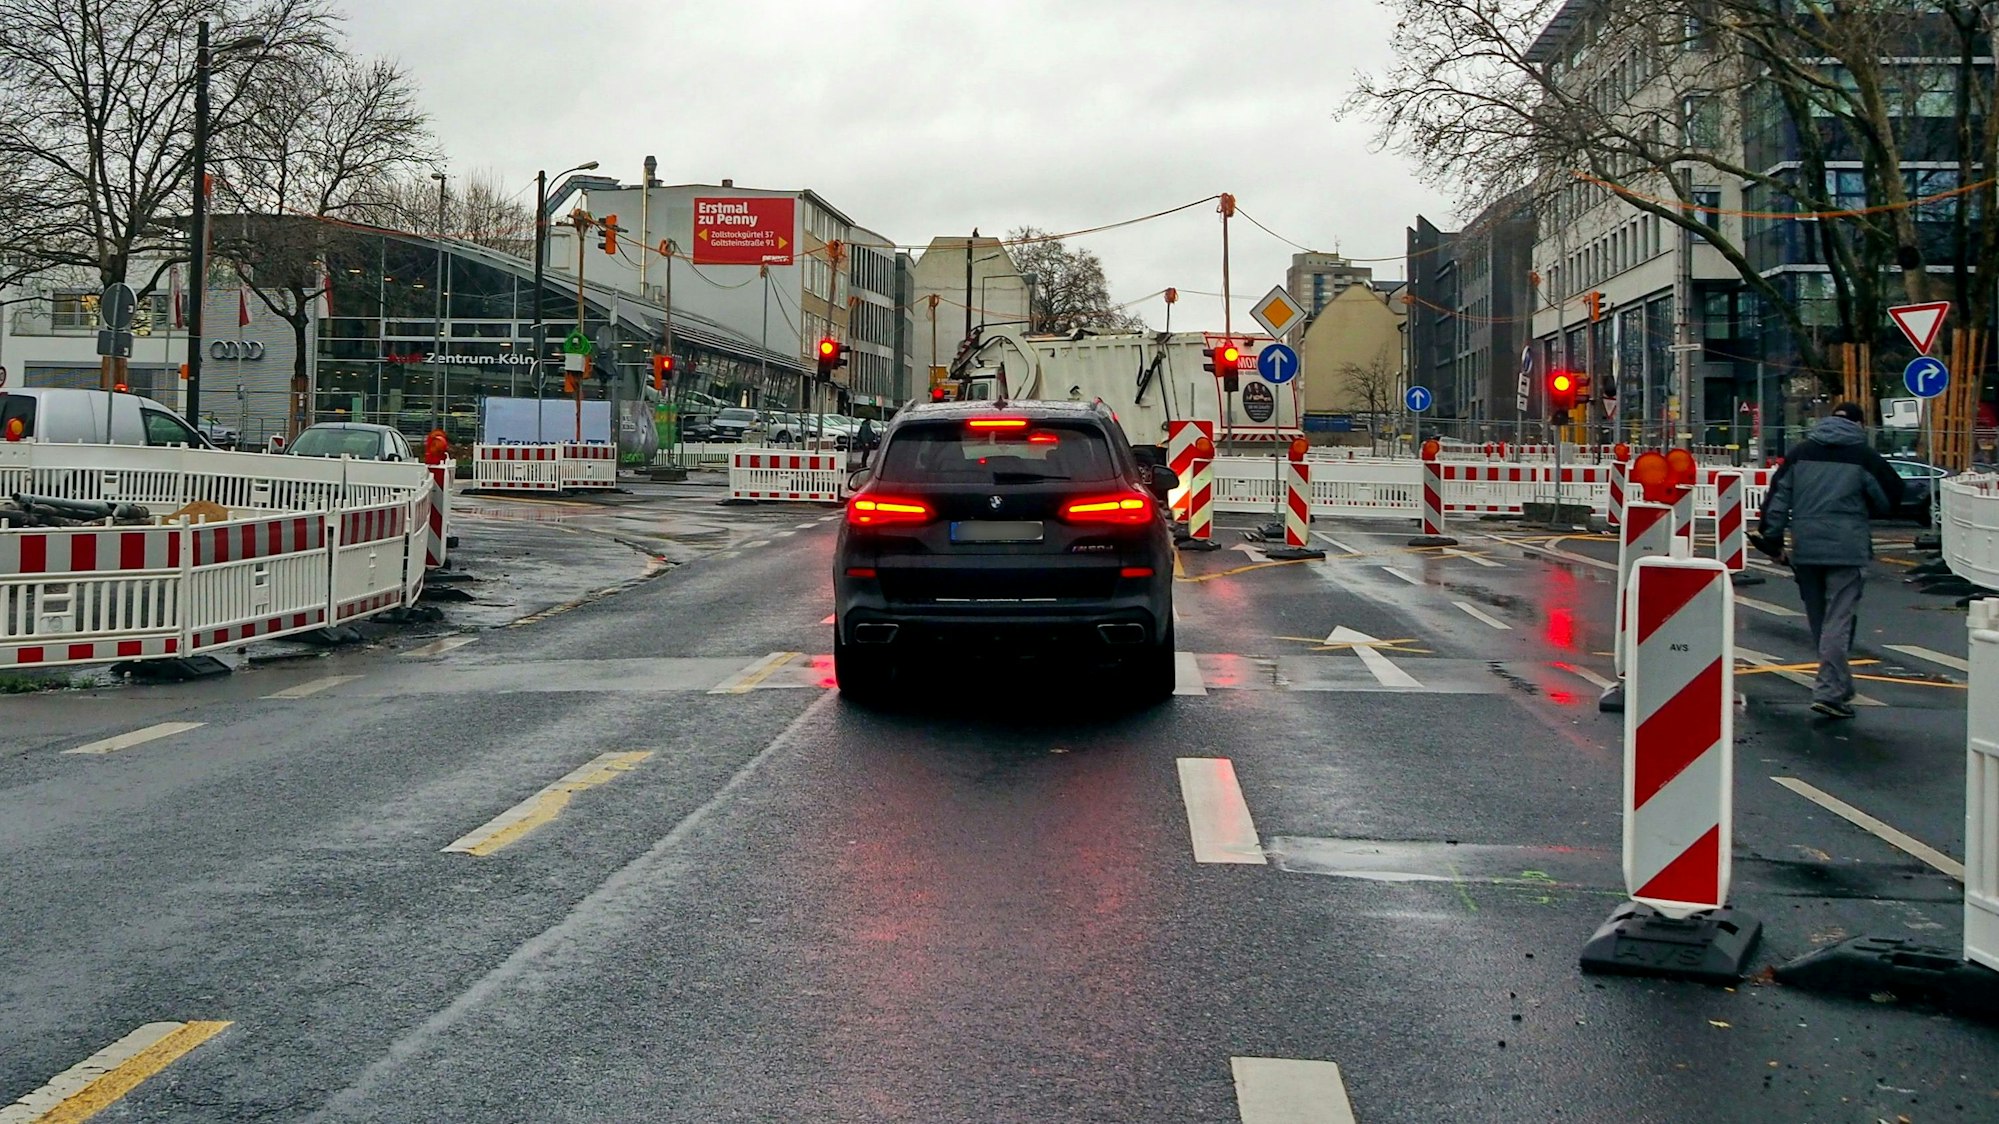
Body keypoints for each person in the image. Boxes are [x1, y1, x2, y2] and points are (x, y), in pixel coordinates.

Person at [1755, 402, 1904, 719]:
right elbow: (1891, 496)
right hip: (1847, 548)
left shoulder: (1800, 453)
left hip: (1806, 547)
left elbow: (1777, 498)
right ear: (1860, 425)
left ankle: (1839, 687)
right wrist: (1864, 509)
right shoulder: (1863, 456)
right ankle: (1830, 692)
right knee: (1837, 622)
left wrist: (1772, 541)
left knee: (1821, 623)